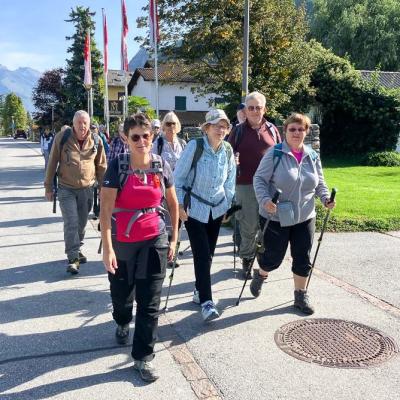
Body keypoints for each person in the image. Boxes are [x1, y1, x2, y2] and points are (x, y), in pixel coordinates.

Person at [100, 113, 178, 382]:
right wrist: (107, 249)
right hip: (122, 241)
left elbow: (173, 203)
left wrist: (173, 238)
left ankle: (143, 357)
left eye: (146, 136)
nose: (142, 141)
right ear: (126, 138)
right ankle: (122, 321)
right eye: (135, 137)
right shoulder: (117, 166)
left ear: (152, 136)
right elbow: (105, 211)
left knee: (150, 301)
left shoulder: (160, 165)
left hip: (154, 239)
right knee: (122, 296)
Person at [252, 113, 335, 314]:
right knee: (272, 258)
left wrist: (326, 198)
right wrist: (265, 200)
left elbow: (320, 183)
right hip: (276, 215)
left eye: (300, 129)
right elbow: (259, 179)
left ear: (306, 132)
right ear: (285, 131)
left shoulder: (312, 155)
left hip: (305, 216)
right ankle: (261, 273)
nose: (296, 133)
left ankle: (300, 295)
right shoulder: (275, 153)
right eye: (292, 129)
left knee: (302, 257)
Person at [174, 109, 236, 322]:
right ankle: (207, 302)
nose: (221, 130)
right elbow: (178, 178)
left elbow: (230, 180)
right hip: (194, 209)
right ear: (207, 128)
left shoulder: (227, 149)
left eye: (224, 126)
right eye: (217, 125)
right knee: (201, 254)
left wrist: (227, 205)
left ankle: (199, 290)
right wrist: (179, 205)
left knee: (208, 254)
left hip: (216, 209)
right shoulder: (195, 146)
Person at [44, 110, 107, 274]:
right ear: (73, 124)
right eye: (79, 122)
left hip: (87, 188)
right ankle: (73, 258)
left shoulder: (96, 140)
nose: (82, 126)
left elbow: (101, 166)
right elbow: (52, 162)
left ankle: (77, 247)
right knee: (71, 221)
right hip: (66, 188)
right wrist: (48, 187)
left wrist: (104, 189)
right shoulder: (62, 137)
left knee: (82, 222)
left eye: (85, 123)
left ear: (89, 124)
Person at [227, 91, 281, 279]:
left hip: (269, 185)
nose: (255, 111)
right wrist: (233, 163)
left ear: (264, 109)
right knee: (248, 225)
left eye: (259, 107)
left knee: (267, 225)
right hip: (245, 185)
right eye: (251, 108)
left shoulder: (272, 130)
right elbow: (227, 156)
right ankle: (247, 260)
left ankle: (263, 260)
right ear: (246, 111)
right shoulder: (238, 131)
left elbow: (281, 154)